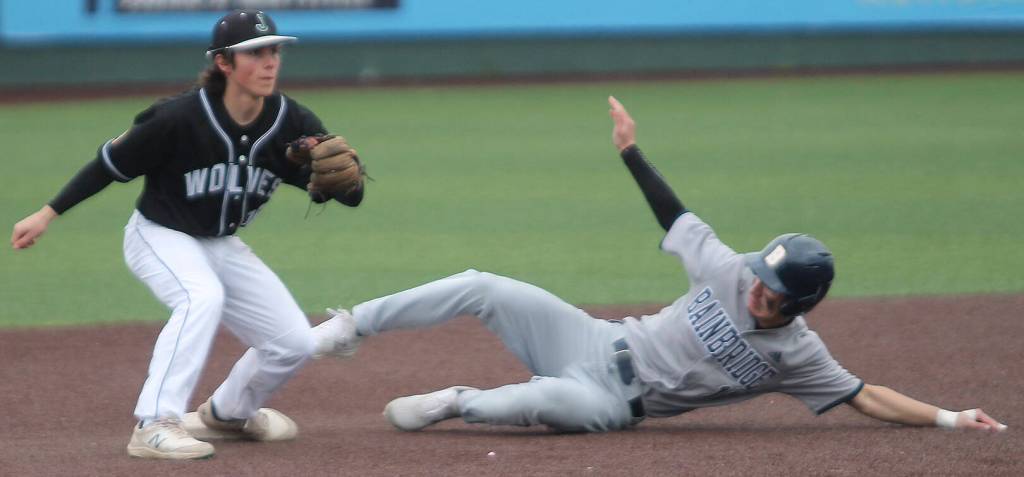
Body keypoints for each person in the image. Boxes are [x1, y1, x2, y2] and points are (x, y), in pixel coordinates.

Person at [311, 96, 1007, 434]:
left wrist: (948, 416)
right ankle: (353, 325)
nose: (756, 290)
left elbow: (865, 392)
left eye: (772, 291)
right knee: (480, 284)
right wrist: (629, 151)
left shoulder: (798, 354)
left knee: (546, 401)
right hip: (589, 337)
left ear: (800, 304)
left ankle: (457, 400)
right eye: (760, 279)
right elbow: (674, 216)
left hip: (616, 404)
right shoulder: (732, 268)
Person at [10, 10, 364, 460]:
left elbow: (344, 194)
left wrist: (344, 182)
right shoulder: (178, 117)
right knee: (201, 297)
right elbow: (110, 165)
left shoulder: (290, 120)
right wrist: (47, 213)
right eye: (254, 53)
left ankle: (228, 414)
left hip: (222, 243)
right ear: (223, 63)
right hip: (159, 235)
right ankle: (154, 422)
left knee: (291, 342)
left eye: (273, 50)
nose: (270, 61)